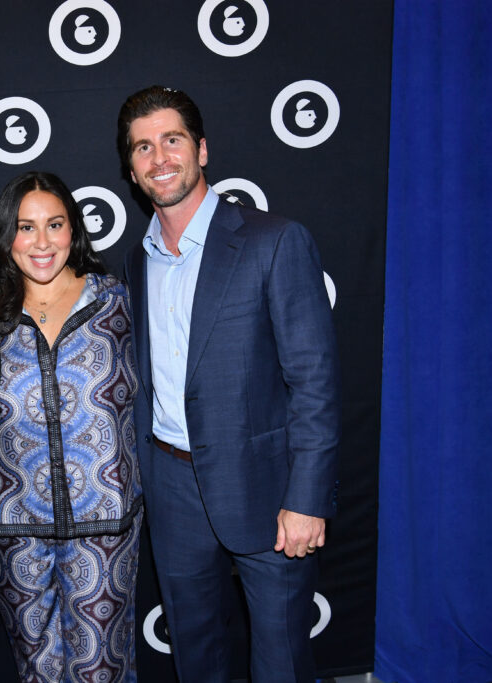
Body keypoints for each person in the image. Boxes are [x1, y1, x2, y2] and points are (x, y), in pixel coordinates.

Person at [118, 86, 341, 683]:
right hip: (171, 485)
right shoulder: (137, 262)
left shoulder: (274, 241)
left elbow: (314, 382)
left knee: (281, 657)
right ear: (131, 168)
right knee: (195, 651)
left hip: (268, 489)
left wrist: (307, 498)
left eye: (172, 140)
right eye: (143, 147)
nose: (159, 157)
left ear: (202, 149)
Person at [0, 171, 142, 682]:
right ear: (6, 237)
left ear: (75, 231)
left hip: (107, 526)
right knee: (37, 670)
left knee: (102, 671)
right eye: (25, 227)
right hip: (12, 526)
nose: (42, 242)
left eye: (55, 224)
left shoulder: (117, 302)